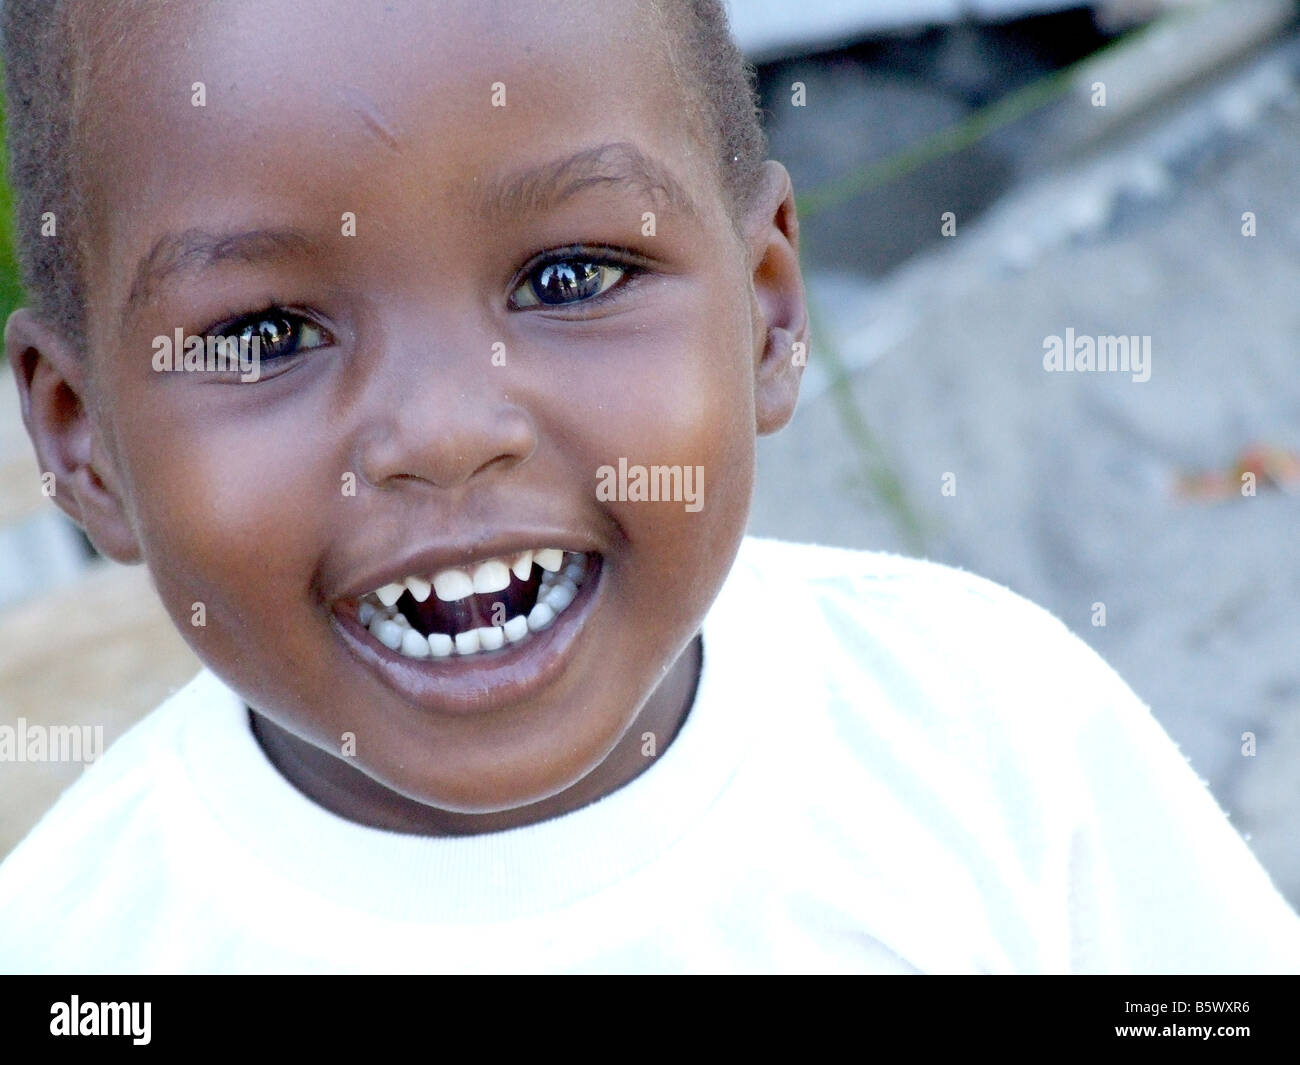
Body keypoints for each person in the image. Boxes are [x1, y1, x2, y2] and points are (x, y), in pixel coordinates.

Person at [0, 0, 1295, 973]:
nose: (446, 433)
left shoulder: (990, 731)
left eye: (568, 277)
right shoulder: (78, 951)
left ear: (767, 313)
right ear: (81, 440)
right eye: (267, 334)